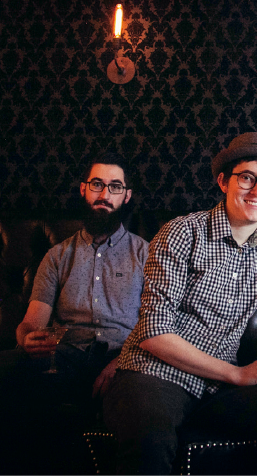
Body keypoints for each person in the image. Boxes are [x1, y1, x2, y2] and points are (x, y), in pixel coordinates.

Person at [103, 132, 257, 476]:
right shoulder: (181, 232)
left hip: (219, 389)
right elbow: (154, 332)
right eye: (247, 178)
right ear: (223, 181)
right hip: (154, 374)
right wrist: (237, 373)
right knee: (151, 439)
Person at [0, 152, 148, 473]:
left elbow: (157, 327)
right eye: (97, 184)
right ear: (83, 189)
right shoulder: (57, 255)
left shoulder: (146, 254)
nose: (105, 195)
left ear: (127, 196)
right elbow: (30, 324)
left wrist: (124, 362)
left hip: (122, 361)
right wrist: (27, 340)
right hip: (63, 358)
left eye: (115, 187)